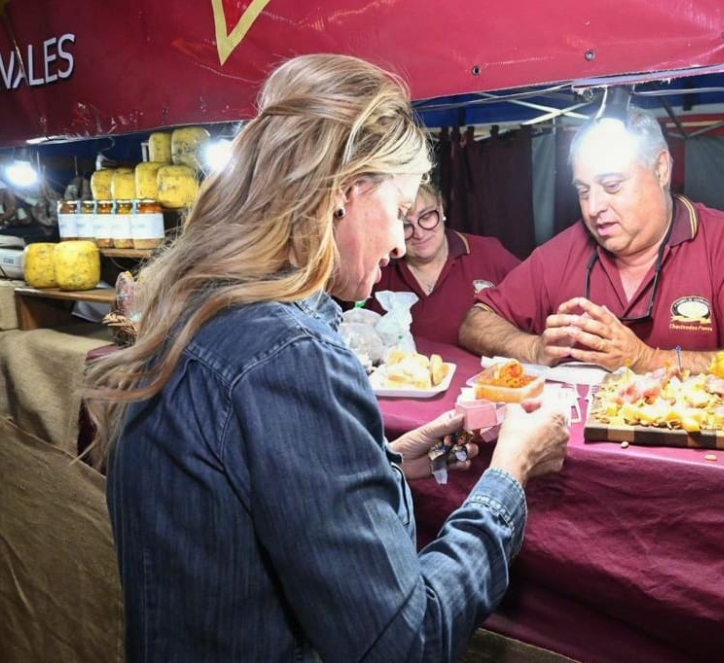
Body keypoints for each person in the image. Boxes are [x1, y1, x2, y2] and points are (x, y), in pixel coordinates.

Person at [84, 54, 570, 662]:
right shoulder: (288, 353)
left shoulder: (199, 308)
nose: (398, 242)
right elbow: (403, 641)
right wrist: (509, 476)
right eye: (396, 213)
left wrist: (391, 460)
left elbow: (253, 496)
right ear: (346, 192)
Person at [458, 104, 724, 393]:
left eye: (612, 185)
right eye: (584, 191)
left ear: (662, 169)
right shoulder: (564, 250)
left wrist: (649, 360)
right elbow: (477, 322)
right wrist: (533, 348)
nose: (593, 207)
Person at [367, 182, 520, 344]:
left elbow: (538, 303)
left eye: (426, 216)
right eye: (405, 226)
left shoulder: (488, 253)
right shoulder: (377, 269)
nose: (419, 233)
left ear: (441, 207)